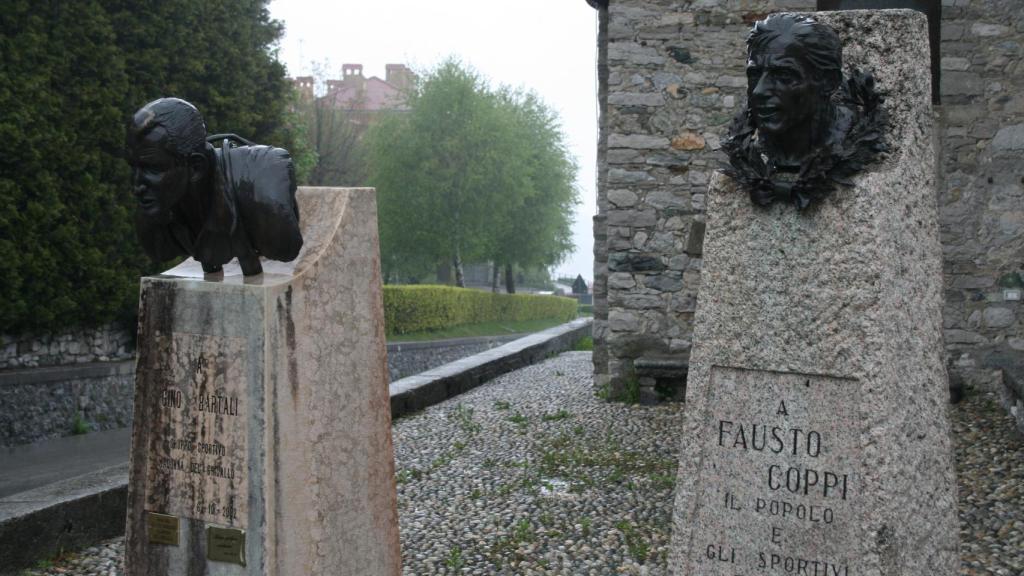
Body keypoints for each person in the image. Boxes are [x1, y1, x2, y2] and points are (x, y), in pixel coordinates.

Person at [723, 14, 886, 210]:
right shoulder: (753, 148)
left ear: (828, 82)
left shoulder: (848, 135)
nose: (759, 91)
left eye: (783, 75)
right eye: (755, 74)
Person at [126, 97, 302, 276]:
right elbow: (159, 251)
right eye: (134, 167)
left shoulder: (265, 203)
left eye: (153, 169)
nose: (136, 185)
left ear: (196, 167)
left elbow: (286, 247)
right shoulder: (157, 205)